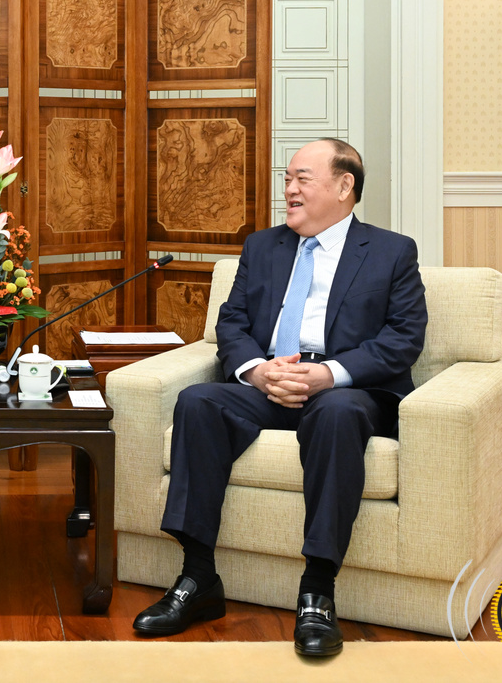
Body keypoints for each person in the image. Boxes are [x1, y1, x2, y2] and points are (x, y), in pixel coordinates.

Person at [132, 139, 427, 657]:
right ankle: (198, 578)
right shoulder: (262, 247)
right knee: (198, 402)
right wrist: (258, 371)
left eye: (301, 178)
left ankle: (317, 591)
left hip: (344, 391)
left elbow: (403, 338)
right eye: (286, 179)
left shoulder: (391, 251)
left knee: (336, 414)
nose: (289, 189)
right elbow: (232, 323)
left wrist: (328, 374)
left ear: (344, 185)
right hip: (269, 383)